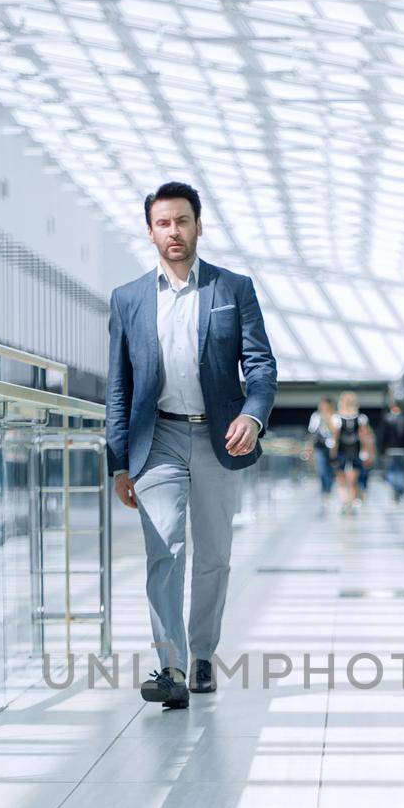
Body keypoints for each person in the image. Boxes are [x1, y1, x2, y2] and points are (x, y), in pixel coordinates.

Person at [107, 180, 276, 710]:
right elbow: (120, 385)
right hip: (156, 438)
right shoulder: (128, 298)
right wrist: (119, 462)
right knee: (165, 551)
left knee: (214, 555)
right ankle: (171, 666)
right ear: (151, 231)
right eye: (163, 223)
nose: (174, 231)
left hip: (217, 436)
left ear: (199, 226)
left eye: (182, 221)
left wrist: (253, 413)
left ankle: (203, 653)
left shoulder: (232, 289)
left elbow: (262, 365)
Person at [330, 391, 375, 515]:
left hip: (353, 451)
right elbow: (335, 438)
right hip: (345, 451)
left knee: (350, 479)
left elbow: (365, 436)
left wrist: (367, 452)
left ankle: (349, 502)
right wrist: (333, 453)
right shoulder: (337, 418)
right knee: (344, 479)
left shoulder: (360, 418)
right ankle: (347, 502)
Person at [304, 396, 336, 506]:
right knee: (322, 470)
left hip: (333, 448)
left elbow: (336, 432)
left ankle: (329, 490)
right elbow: (312, 433)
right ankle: (325, 492)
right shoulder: (316, 416)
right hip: (320, 446)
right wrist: (309, 447)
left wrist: (328, 420)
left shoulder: (335, 416)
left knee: (331, 471)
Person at [378, 397, 404, 503]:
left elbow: (383, 436)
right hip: (402, 449)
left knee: (392, 470)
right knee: (400, 470)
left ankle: (396, 489)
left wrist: (382, 449)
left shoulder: (386, 419)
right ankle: (399, 490)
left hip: (391, 449)